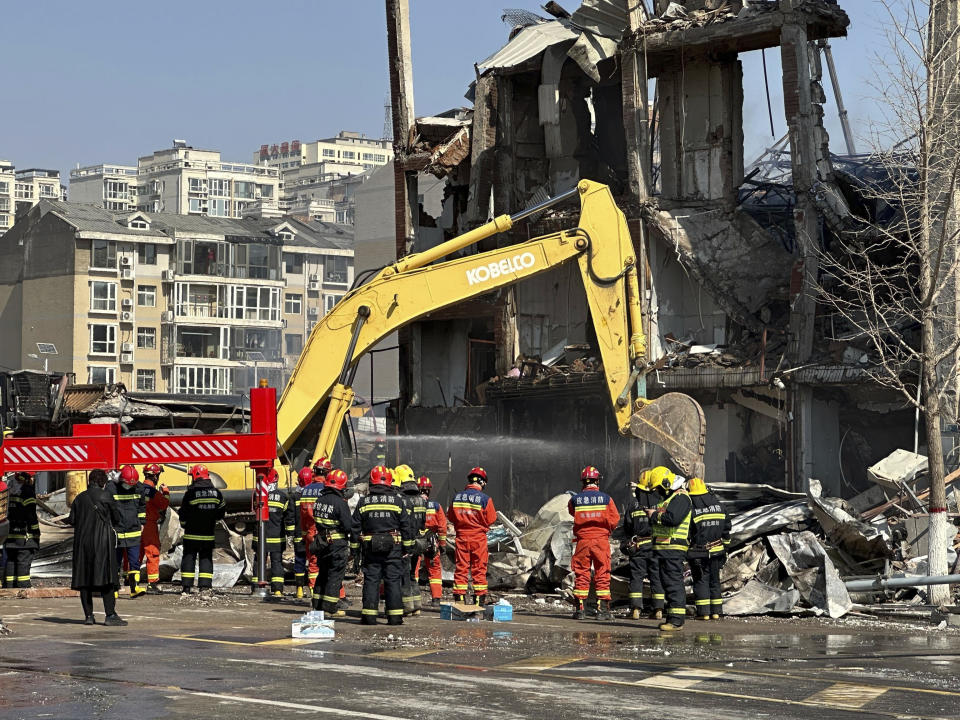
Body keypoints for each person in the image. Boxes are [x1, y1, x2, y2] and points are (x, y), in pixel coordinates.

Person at [352, 465, 412, 625]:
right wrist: (407, 548)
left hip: (371, 548)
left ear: (372, 482)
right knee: (393, 581)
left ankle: (369, 617)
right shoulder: (397, 502)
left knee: (371, 580)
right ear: (390, 482)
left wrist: (355, 549)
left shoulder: (364, 502)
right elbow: (406, 527)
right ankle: (395, 617)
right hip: (393, 548)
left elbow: (355, 527)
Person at [67, 469, 126, 626]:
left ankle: (88, 616)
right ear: (103, 482)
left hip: (83, 543)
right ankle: (110, 615)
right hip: (102, 542)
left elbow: (71, 520)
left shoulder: (79, 499)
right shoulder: (106, 496)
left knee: (84, 579)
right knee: (107, 579)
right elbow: (117, 518)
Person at [568, 466, 620, 620]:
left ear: (583, 482)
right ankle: (603, 611)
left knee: (581, 573)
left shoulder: (575, 499)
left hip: (583, 542)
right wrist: (605, 529)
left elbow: (572, 512)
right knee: (602, 573)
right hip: (601, 541)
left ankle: (580, 610)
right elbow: (615, 519)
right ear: (597, 481)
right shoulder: (606, 498)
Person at [648, 466, 692, 631]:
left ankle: (676, 621)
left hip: (673, 549)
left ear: (666, 483)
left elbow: (672, 519)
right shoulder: (670, 498)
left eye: (658, 488)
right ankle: (672, 618)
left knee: (673, 584)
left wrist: (653, 515)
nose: (658, 492)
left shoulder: (681, 498)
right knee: (668, 584)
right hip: (664, 549)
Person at [448, 467, 496, 605]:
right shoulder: (486, 499)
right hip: (478, 539)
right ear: (482, 482)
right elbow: (491, 519)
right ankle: (478, 602)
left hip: (461, 537)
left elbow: (451, 517)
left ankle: (459, 601)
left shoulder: (457, 497)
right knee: (479, 569)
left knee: (461, 568)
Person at [311, 469, 354, 616]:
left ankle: (317, 605)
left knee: (322, 574)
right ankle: (330, 608)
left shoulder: (319, 501)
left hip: (322, 543)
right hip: (337, 545)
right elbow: (348, 526)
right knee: (334, 575)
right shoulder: (340, 503)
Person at [687, 477, 731, 621]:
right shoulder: (720, 506)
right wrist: (725, 546)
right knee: (714, 581)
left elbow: (689, 532)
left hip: (699, 552)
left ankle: (704, 613)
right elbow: (726, 531)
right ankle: (717, 612)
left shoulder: (693, 510)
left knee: (701, 581)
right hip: (718, 550)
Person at [623, 469, 664, 620]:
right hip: (656, 546)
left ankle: (635, 610)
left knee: (636, 578)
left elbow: (627, 527)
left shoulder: (633, 504)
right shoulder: (661, 502)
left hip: (638, 546)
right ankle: (658, 609)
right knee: (656, 577)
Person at [179, 464, 225, 595]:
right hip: (208, 534)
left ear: (195, 476)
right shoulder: (217, 493)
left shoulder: (190, 493)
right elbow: (221, 512)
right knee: (206, 559)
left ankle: (186, 587)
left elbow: (183, 513)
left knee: (189, 559)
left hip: (191, 535)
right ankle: (205, 586)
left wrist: (184, 524)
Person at [251, 468, 294, 597]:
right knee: (277, 562)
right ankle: (278, 590)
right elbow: (289, 517)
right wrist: (290, 534)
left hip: (261, 537)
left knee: (259, 562)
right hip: (277, 537)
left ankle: (256, 587)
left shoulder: (257, 494)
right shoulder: (283, 497)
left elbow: (255, 514)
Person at [107, 465, 146, 598]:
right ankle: (114, 589)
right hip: (117, 531)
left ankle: (134, 588)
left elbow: (142, 507)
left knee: (134, 561)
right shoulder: (111, 487)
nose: (129, 487)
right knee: (115, 562)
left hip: (133, 531)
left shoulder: (139, 488)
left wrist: (142, 523)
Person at [395, 463, 426, 615]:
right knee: (413, 574)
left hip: (405, 543)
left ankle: (407, 607)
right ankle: (417, 605)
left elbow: (403, 524)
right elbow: (423, 523)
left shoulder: (401, 499)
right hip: (418, 542)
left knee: (404, 574)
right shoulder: (421, 499)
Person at [299, 457, 330, 601]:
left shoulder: (305, 491)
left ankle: (313, 592)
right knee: (329, 563)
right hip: (325, 532)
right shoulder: (328, 490)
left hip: (310, 532)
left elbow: (303, 516)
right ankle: (327, 593)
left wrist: (305, 534)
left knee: (312, 563)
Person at [4, 471, 39, 588]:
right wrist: (35, 533)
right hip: (24, 537)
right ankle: (23, 586)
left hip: (9, 536)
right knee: (23, 561)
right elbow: (31, 515)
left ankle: (9, 586)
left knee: (11, 561)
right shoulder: (27, 491)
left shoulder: (8, 491)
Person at [415, 476, 446, 606]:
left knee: (413, 568)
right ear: (429, 491)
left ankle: (414, 597)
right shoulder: (436, 506)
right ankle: (436, 599)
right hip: (431, 541)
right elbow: (442, 526)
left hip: (416, 539)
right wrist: (442, 544)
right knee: (434, 569)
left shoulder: (412, 504)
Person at [140, 463, 170, 594]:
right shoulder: (152, 491)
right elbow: (163, 505)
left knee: (135, 553)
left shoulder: (136, 488)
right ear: (155, 476)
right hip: (149, 525)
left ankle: (130, 580)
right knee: (152, 552)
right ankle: (152, 584)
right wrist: (166, 493)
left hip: (135, 524)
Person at [291, 467, 314, 598]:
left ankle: (299, 590)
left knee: (299, 560)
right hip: (310, 533)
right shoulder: (314, 495)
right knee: (312, 561)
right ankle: (312, 589)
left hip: (299, 534)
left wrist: (291, 533)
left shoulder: (295, 497)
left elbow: (290, 517)